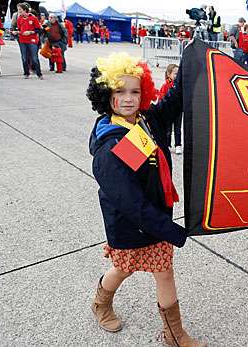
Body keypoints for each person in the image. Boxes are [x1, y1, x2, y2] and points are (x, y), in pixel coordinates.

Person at [86, 53, 206, 347]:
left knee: (164, 273)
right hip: (131, 226)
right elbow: (131, 203)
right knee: (123, 268)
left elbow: (174, 101)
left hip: (156, 221)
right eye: (120, 91)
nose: (129, 98)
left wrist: (192, 63)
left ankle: (174, 335)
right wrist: (174, 231)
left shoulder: (146, 122)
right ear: (106, 94)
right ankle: (101, 303)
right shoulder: (110, 146)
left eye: (135, 91)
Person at [12, 2, 43, 79]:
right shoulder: (19, 19)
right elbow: (19, 29)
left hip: (32, 41)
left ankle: (39, 74)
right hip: (22, 40)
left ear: (25, 10)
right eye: (18, 10)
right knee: (24, 58)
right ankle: (26, 73)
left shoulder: (33, 18)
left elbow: (39, 30)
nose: (18, 11)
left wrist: (31, 32)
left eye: (20, 10)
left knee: (34, 58)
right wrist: (16, 32)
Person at [158, 63, 182, 154]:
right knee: (168, 129)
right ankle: (167, 144)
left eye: (178, 73)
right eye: (175, 73)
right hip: (168, 111)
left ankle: (178, 145)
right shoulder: (165, 86)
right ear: (169, 74)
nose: (177, 75)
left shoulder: (180, 86)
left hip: (178, 110)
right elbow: (161, 97)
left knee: (177, 128)